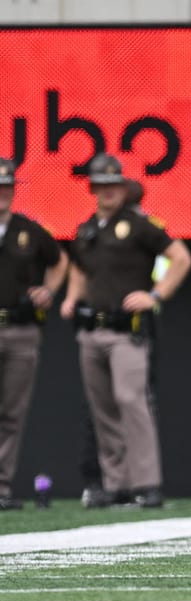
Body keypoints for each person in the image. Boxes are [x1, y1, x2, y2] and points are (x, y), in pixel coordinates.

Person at [61, 152, 191, 509]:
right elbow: (77, 269)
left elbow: (181, 257)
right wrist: (72, 298)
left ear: (122, 186)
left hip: (126, 331)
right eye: (102, 185)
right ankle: (115, 482)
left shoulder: (140, 224)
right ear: (93, 188)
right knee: (101, 408)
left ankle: (146, 482)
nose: (108, 191)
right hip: (92, 328)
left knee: (131, 401)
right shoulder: (87, 228)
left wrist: (156, 294)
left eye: (113, 184)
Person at [0, 157, 68, 511]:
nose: (3, 193)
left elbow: (60, 260)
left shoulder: (28, 230)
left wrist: (48, 291)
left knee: (11, 412)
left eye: (7, 187)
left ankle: (2, 487)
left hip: (20, 328)